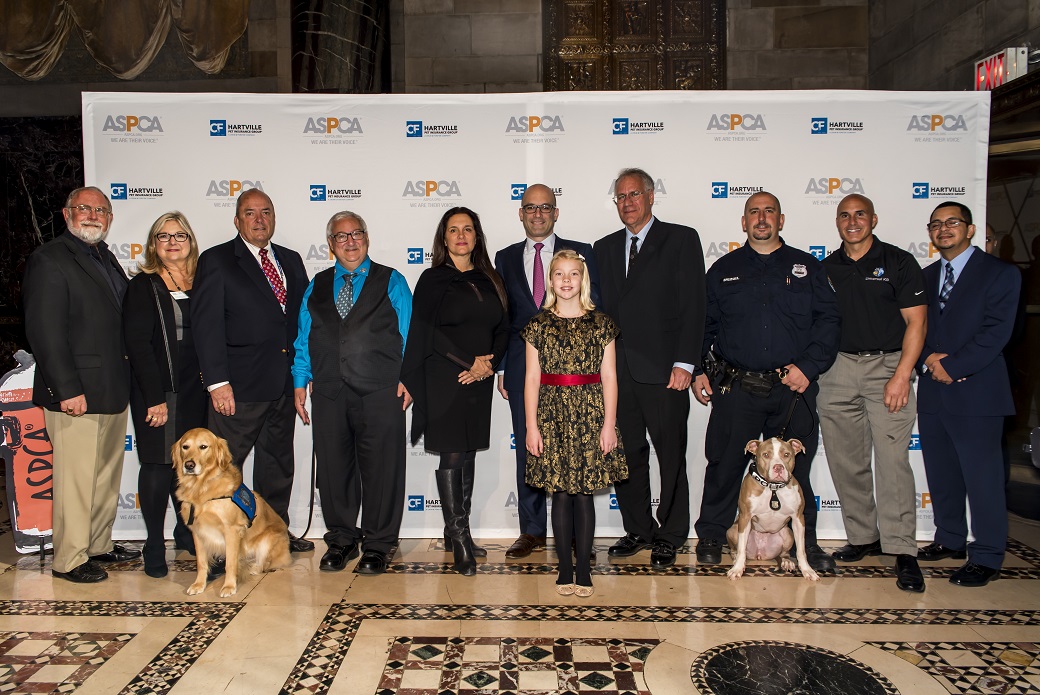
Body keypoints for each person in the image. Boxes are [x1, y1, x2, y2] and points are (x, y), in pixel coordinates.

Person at [692, 191, 840, 573]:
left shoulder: (807, 267)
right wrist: (699, 369)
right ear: (744, 222)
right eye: (754, 212)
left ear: (781, 219)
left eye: (769, 211)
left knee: (795, 470)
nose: (761, 218)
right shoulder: (722, 270)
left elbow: (828, 321)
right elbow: (703, 326)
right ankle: (711, 533)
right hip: (737, 385)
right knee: (724, 462)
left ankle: (807, 542)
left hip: (793, 389)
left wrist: (808, 367)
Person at [22, 186, 140, 583]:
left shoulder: (105, 257)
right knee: (75, 479)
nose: (93, 215)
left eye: (101, 210)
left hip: (111, 388)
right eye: (84, 208)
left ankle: (98, 545)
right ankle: (69, 559)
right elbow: (45, 332)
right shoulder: (50, 259)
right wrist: (67, 389)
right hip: (76, 393)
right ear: (67, 213)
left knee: (104, 475)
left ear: (109, 218)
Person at [593, 167, 705, 568]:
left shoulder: (681, 239)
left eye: (634, 195)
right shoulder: (602, 248)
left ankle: (671, 534)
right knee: (626, 455)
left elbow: (695, 304)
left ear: (651, 196)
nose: (627, 203)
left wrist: (686, 362)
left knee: (671, 454)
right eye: (620, 197)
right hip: (617, 374)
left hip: (666, 371)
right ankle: (638, 529)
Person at [192, 188, 315, 553]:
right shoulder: (217, 260)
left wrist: (300, 376)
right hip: (237, 388)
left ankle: (273, 535)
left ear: (274, 218)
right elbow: (206, 325)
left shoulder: (291, 261)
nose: (259, 219)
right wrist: (217, 382)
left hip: (281, 383)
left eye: (266, 212)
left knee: (277, 467)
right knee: (220, 473)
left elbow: (299, 323)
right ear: (237, 220)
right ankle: (213, 546)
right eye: (250, 213)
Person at [292, 211, 413, 575]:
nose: (350, 241)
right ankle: (342, 540)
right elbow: (304, 337)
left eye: (356, 233)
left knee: (382, 470)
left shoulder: (392, 281)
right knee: (333, 470)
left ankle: (378, 544)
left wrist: (409, 377)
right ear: (330, 244)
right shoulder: (317, 284)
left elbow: (410, 334)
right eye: (341, 236)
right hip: (329, 391)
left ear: (367, 237)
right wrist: (300, 380)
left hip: (381, 390)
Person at [817, 195, 927, 592]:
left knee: (894, 462)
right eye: (844, 215)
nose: (852, 221)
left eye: (859, 214)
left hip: (888, 368)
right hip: (838, 369)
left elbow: (917, 323)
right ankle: (863, 536)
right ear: (836, 221)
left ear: (874, 219)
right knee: (847, 461)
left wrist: (902, 375)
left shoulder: (898, 262)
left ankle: (902, 551)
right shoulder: (826, 267)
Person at [916, 201, 1021, 587]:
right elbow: (913, 328)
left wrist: (954, 366)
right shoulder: (925, 277)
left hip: (977, 394)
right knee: (942, 474)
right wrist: (929, 359)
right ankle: (949, 539)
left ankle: (989, 555)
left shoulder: (1000, 274)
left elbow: (997, 332)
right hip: (933, 392)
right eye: (937, 224)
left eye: (953, 223)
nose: (944, 229)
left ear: (971, 229)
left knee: (983, 479)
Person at [494, 184, 599, 560]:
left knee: (575, 443)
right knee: (530, 445)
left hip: (574, 368)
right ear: (520, 214)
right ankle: (532, 530)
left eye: (545, 207)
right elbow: (503, 317)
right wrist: (503, 366)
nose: (537, 214)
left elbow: (594, 307)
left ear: (556, 213)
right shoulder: (504, 257)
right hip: (524, 364)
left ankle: (572, 530)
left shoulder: (582, 253)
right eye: (530, 208)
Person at [401, 207, 509, 576]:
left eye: (467, 229)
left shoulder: (490, 277)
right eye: (453, 230)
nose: (461, 235)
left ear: (476, 236)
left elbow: (504, 326)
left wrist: (488, 364)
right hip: (445, 377)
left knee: (468, 452)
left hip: (479, 378)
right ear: (443, 238)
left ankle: (456, 531)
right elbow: (429, 333)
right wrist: (470, 362)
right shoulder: (432, 279)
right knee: (451, 455)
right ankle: (460, 538)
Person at [524, 250, 626, 597]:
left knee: (583, 495)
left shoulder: (602, 323)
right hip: (552, 416)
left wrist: (609, 424)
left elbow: (610, 377)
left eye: (573, 274)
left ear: (583, 280)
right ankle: (563, 570)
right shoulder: (537, 325)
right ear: (550, 280)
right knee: (561, 494)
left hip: (591, 413)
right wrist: (531, 426)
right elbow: (532, 379)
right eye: (559, 274)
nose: (566, 280)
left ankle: (584, 569)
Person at [122, 212, 208, 578]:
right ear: (154, 244)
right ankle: (154, 545)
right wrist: (154, 397)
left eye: (180, 235)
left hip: (199, 390)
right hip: (161, 390)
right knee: (158, 465)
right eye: (163, 236)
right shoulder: (143, 285)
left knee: (192, 469)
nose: (172, 242)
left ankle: (185, 530)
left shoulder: (203, 280)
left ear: (190, 241)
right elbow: (138, 346)